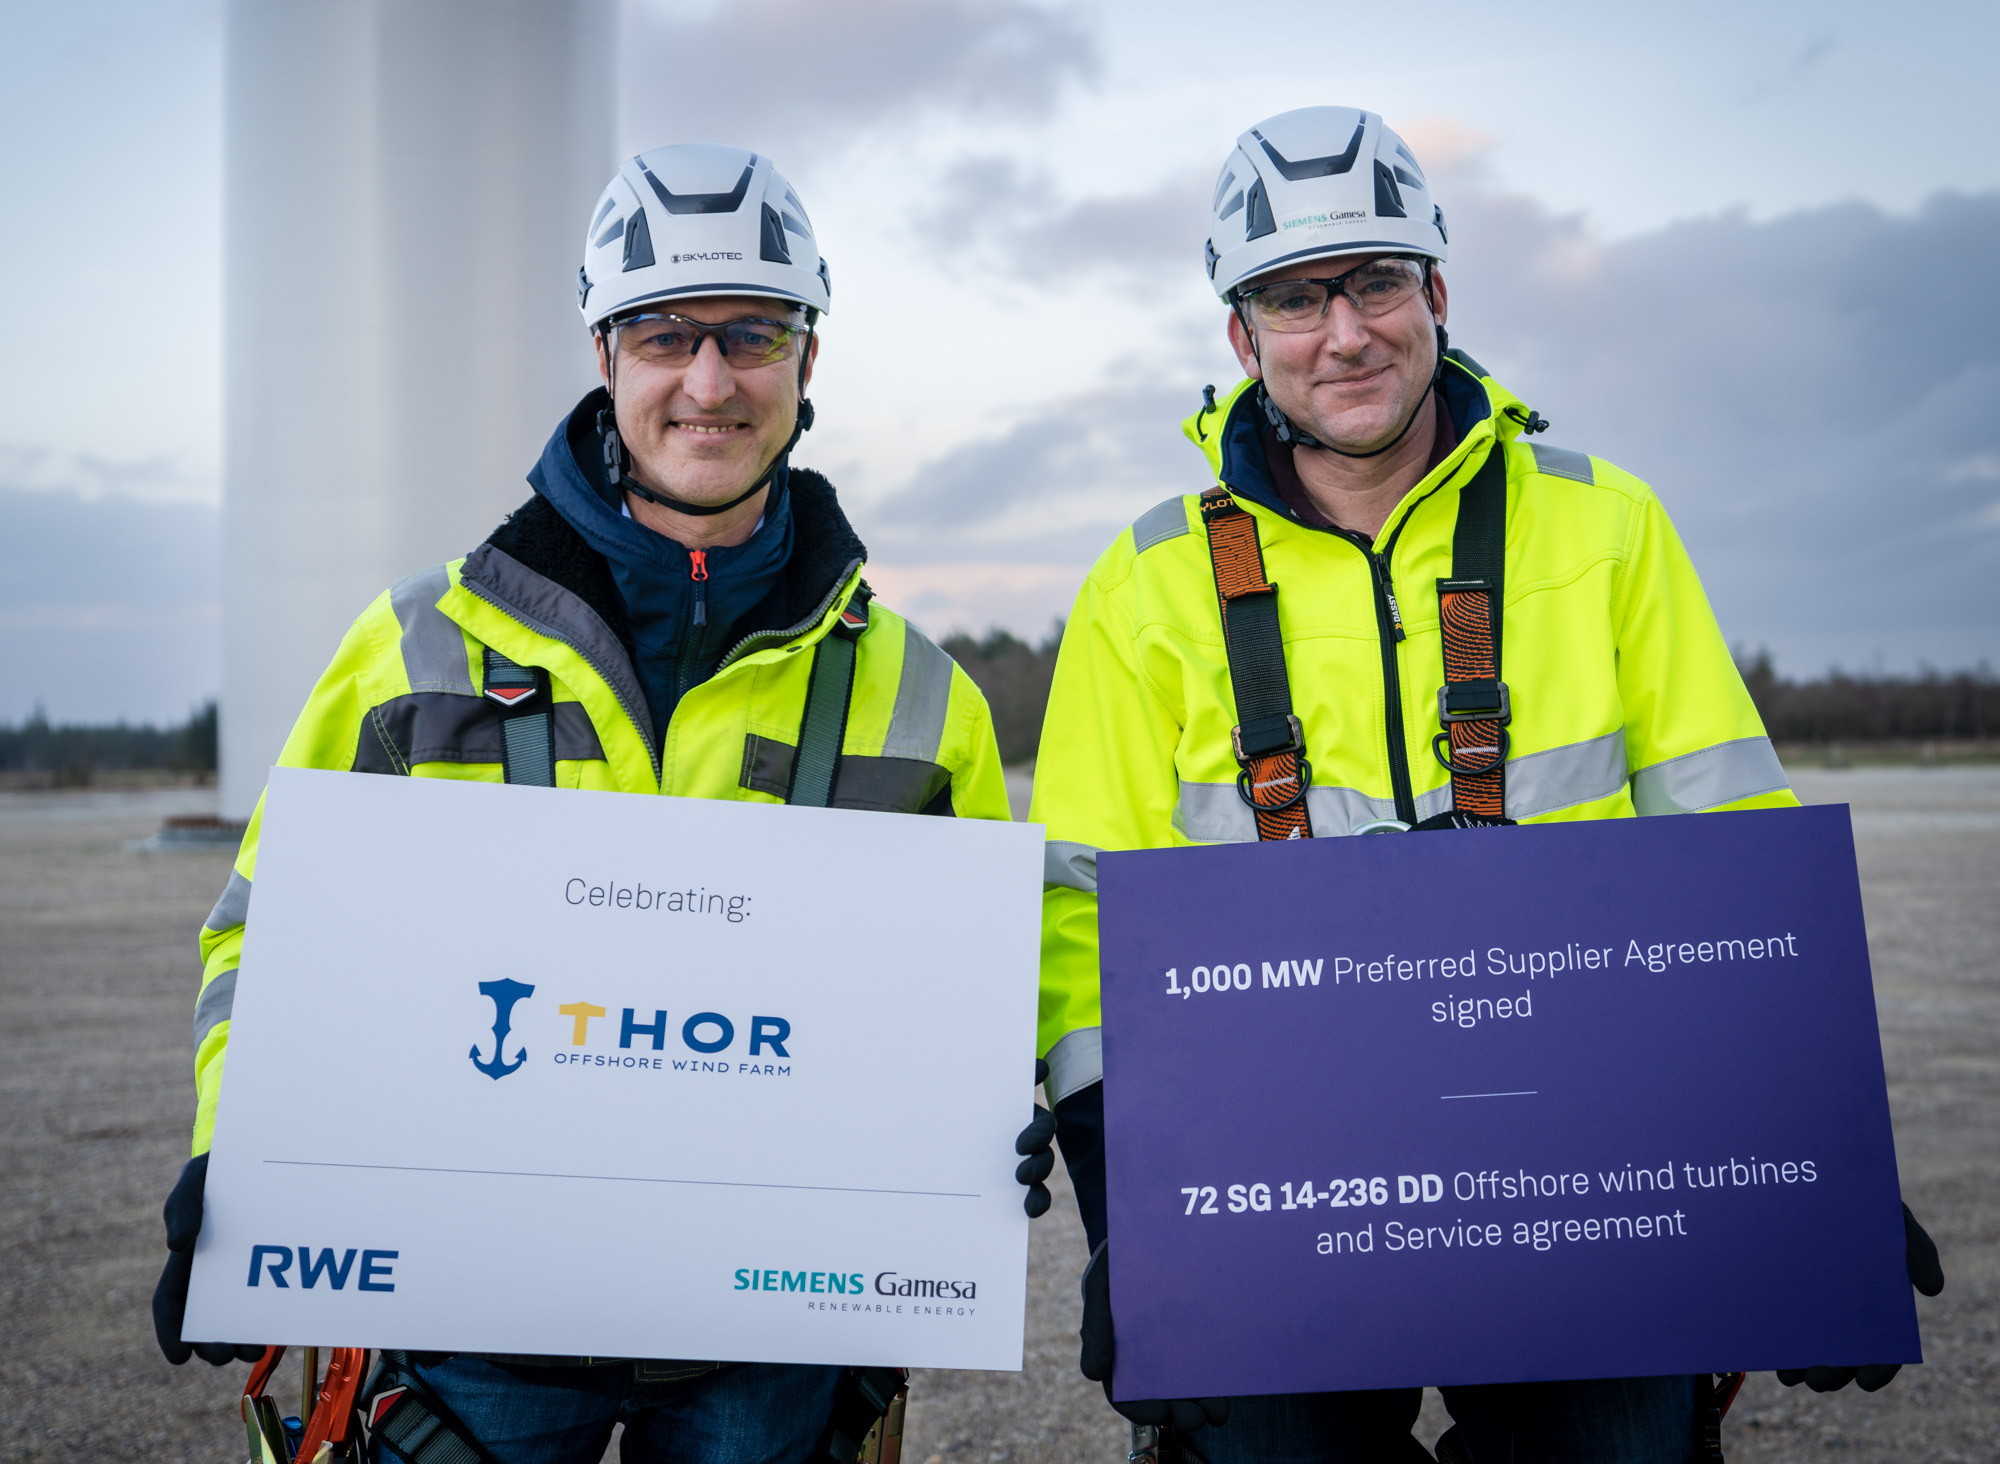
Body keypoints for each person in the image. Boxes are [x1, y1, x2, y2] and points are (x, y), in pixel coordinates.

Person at [1020, 107, 1945, 1462]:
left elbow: (1732, 847)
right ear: (1242, 336)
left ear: (1437, 295)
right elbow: (1080, 905)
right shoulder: (1145, 581)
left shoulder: (1604, 525)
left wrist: (1814, 1176)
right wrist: (1131, 1216)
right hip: (1274, 1170)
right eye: (1294, 297)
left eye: (1377, 281)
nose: (1345, 332)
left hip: (1583, 1153)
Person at [151, 142, 1043, 1463]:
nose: (708, 379)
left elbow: (980, 988)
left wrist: (984, 1114)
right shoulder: (414, 645)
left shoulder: (920, 695)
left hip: (773, 1331)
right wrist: (239, 1157)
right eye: (664, 334)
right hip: (476, 1311)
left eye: (752, 333)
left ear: (808, 357)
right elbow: (265, 935)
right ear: (603, 350)